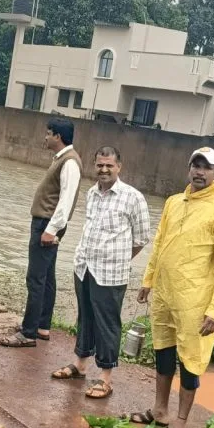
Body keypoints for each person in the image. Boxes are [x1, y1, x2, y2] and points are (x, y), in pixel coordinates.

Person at [127, 147, 214, 428]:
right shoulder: (174, 202)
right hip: (165, 294)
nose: (199, 172)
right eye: (195, 165)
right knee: (163, 350)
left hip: (195, 301)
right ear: (189, 168)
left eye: (206, 167)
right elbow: (160, 242)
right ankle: (160, 410)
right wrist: (148, 280)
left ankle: (180, 423)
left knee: (191, 360)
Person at [50, 146, 150, 399]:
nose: (104, 170)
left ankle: (105, 378)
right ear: (94, 166)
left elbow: (141, 238)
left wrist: (118, 259)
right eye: (100, 165)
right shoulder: (92, 193)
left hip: (111, 273)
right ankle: (80, 364)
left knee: (107, 323)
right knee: (84, 316)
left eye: (109, 165)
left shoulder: (133, 197)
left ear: (119, 167)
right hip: (84, 266)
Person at [0, 118, 82, 348]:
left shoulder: (69, 162)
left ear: (58, 136)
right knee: (46, 278)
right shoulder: (63, 159)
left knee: (35, 278)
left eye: (48, 133)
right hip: (47, 223)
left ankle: (28, 333)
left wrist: (51, 230)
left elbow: (66, 201)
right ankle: (41, 326)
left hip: (47, 224)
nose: (45, 137)